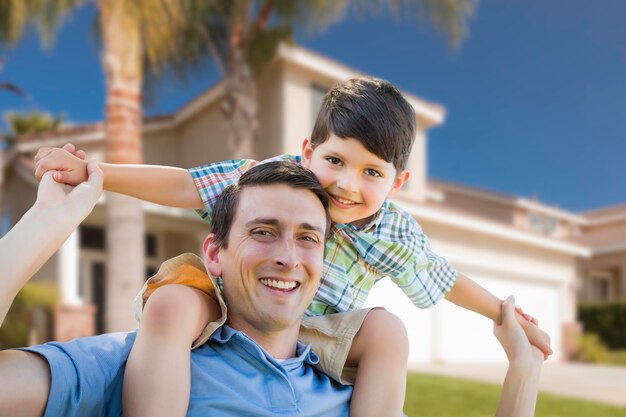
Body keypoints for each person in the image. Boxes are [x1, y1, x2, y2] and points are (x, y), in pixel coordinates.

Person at [34, 77, 552, 417]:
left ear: (397, 184)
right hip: (228, 301)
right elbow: (184, 184)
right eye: (336, 161)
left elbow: (444, 279)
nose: (346, 184)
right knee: (172, 302)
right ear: (308, 151)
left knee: (388, 332)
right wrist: (98, 175)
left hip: (320, 330)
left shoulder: (393, 233)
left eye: (371, 172)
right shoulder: (269, 183)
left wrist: (506, 316)